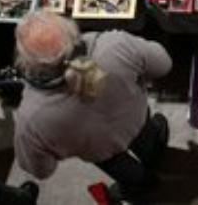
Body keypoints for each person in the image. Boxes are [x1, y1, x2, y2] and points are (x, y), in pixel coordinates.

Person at [13, 10, 173, 203]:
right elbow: (164, 64)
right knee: (150, 143)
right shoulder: (116, 44)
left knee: (127, 172)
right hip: (137, 121)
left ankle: (143, 184)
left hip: (102, 152)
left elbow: (41, 170)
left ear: (25, 61)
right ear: (72, 32)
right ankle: (155, 154)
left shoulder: (30, 120)